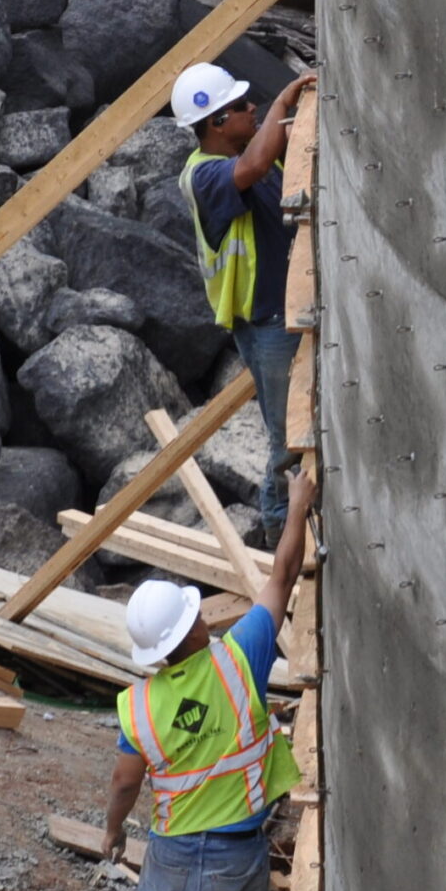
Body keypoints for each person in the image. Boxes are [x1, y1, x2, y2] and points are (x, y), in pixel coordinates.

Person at [100, 465, 320, 891]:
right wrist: (301, 505)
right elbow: (280, 578)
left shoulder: (138, 705)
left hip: (169, 853)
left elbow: (123, 780)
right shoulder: (239, 657)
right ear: (194, 626)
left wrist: (113, 832)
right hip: (235, 856)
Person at [170, 61, 316, 536]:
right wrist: (281, 103)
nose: (251, 108)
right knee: (287, 436)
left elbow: (275, 156)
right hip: (265, 320)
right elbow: (253, 166)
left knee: (300, 421)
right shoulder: (204, 176)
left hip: (287, 308)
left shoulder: (250, 152)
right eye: (240, 106)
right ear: (215, 123)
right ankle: (280, 533)